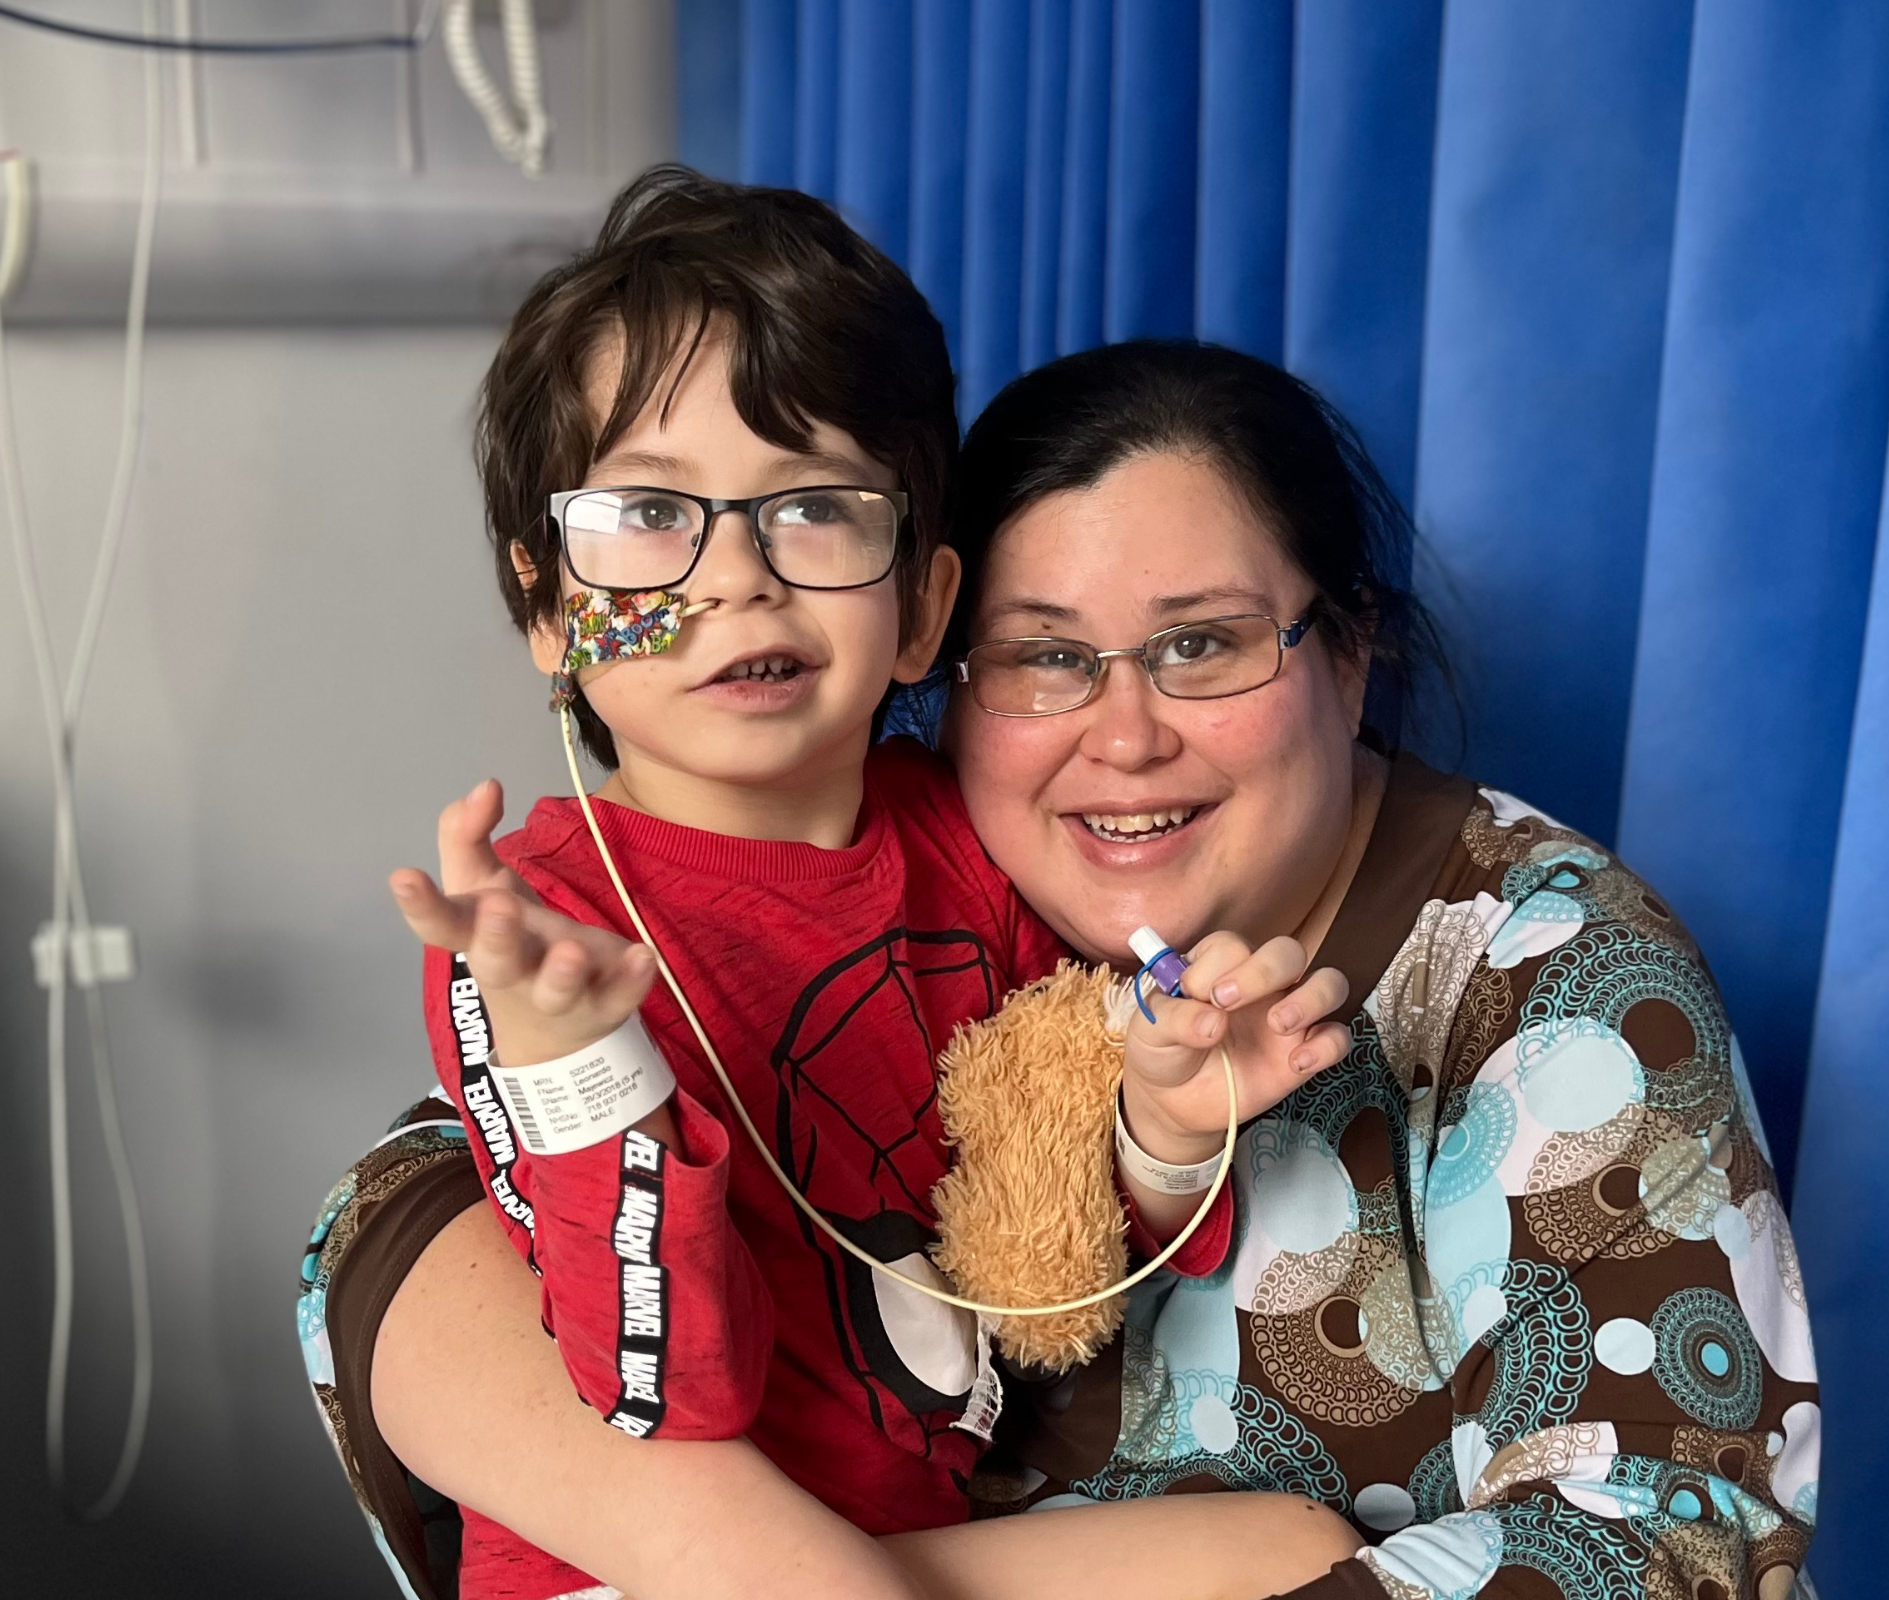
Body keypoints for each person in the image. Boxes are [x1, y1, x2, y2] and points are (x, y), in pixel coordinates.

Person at [305, 331, 1819, 1599]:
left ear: (1350, 653)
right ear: (943, 669)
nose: (1123, 735)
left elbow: (1679, 1541)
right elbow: (413, 1214)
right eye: (1041, 658)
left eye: (1203, 645)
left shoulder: (1545, 971)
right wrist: (721, 1539)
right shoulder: (913, 893)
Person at [304, 165, 1355, 1600]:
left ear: (925, 608)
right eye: (648, 517)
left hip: (907, 1547)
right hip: (642, 1568)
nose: (738, 578)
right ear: (550, 614)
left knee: (1300, 1554)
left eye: (812, 510)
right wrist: (585, 1074)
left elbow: (1048, 1248)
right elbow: (663, 1404)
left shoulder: (968, 845)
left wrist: (1165, 1123)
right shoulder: (542, 933)